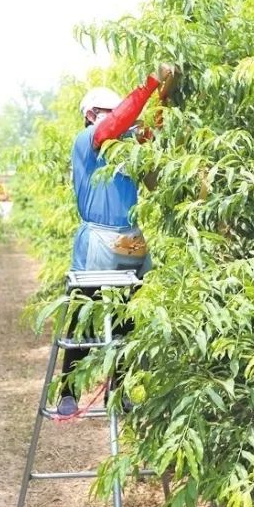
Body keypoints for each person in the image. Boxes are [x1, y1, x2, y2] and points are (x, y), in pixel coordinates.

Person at [57, 65, 177, 417]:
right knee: (84, 316)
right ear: (91, 116)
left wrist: (164, 98)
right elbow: (117, 124)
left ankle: (119, 386)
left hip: (129, 237)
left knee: (128, 318)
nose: (121, 121)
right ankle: (68, 390)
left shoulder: (127, 147)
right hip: (97, 239)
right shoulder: (88, 140)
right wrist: (149, 84)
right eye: (112, 113)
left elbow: (149, 133)